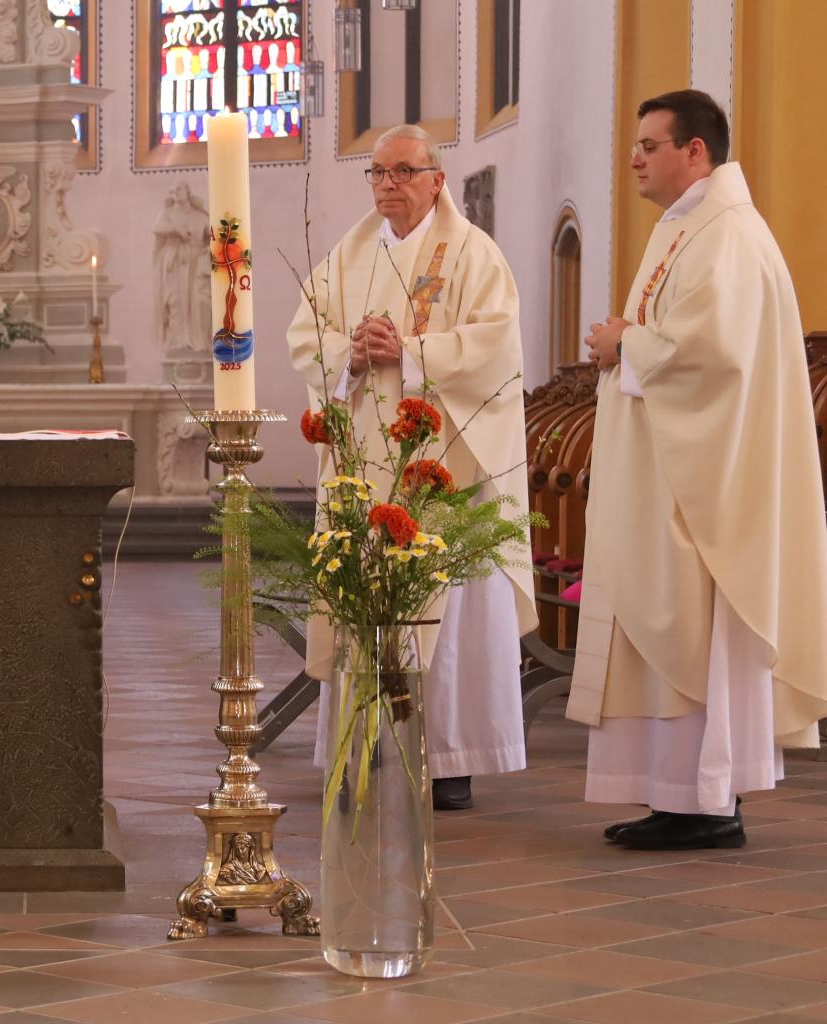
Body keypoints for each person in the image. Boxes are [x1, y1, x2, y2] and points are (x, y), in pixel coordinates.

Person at [572, 89, 827, 850]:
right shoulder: (686, 229)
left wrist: (626, 344)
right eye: (636, 145)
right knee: (668, 624)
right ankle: (679, 795)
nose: (635, 158)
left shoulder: (729, 238)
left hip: (706, 485)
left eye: (650, 145)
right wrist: (627, 346)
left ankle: (706, 799)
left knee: (696, 625)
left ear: (696, 152)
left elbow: (714, 358)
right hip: (672, 473)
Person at [286, 124, 537, 811]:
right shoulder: (348, 254)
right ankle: (365, 740)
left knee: (448, 616)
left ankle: (449, 760)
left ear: (437, 180)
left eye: (404, 171)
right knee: (363, 600)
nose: (389, 184)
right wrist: (352, 353)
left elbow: (495, 347)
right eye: (378, 172)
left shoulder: (474, 255)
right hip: (365, 466)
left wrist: (413, 353)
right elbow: (304, 332)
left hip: (444, 464)